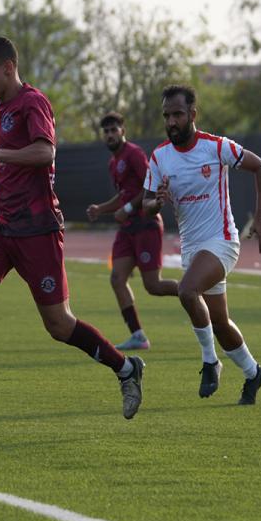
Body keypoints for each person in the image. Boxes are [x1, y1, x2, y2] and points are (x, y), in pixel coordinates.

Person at [0, 37, 144, 430]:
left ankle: (126, 369)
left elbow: (45, 153)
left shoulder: (33, 103)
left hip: (38, 230)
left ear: (9, 67)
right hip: (0, 226)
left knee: (59, 325)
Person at [137, 85, 261, 405]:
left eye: (177, 114)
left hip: (222, 241)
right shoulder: (159, 157)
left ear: (192, 114)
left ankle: (210, 362)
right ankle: (253, 373)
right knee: (220, 324)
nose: (171, 122)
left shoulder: (216, 146)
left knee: (186, 291)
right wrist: (157, 202)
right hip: (192, 249)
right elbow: (146, 204)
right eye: (167, 115)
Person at [85, 111, 177, 351]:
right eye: (106, 131)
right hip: (127, 229)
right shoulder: (112, 162)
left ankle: (192, 291)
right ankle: (138, 336)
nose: (110, 135)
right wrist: (101, 209)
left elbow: (150, 185)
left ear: (122, 131)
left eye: (113, 130)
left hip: (146, 224)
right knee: (117, 279)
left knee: (153, 286)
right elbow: (123, 195)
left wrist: (127, 208)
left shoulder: (134, 154)